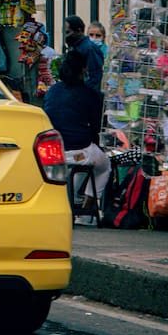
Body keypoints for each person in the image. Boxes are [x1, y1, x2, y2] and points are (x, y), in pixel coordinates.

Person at [42, 49, 110, 222]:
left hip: (55, 150)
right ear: (83, 70)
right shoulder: (89, 94)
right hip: (80, 149)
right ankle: (85, 211)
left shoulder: (52, 91)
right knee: (104, 166)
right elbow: (96, 127)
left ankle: (70, 203)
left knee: (80, 165)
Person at [63, 15, 104, 92]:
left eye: (68, 32)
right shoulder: (75, 47)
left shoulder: (88, 48)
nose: (65, 36)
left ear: (79, 31)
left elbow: (95, 76)